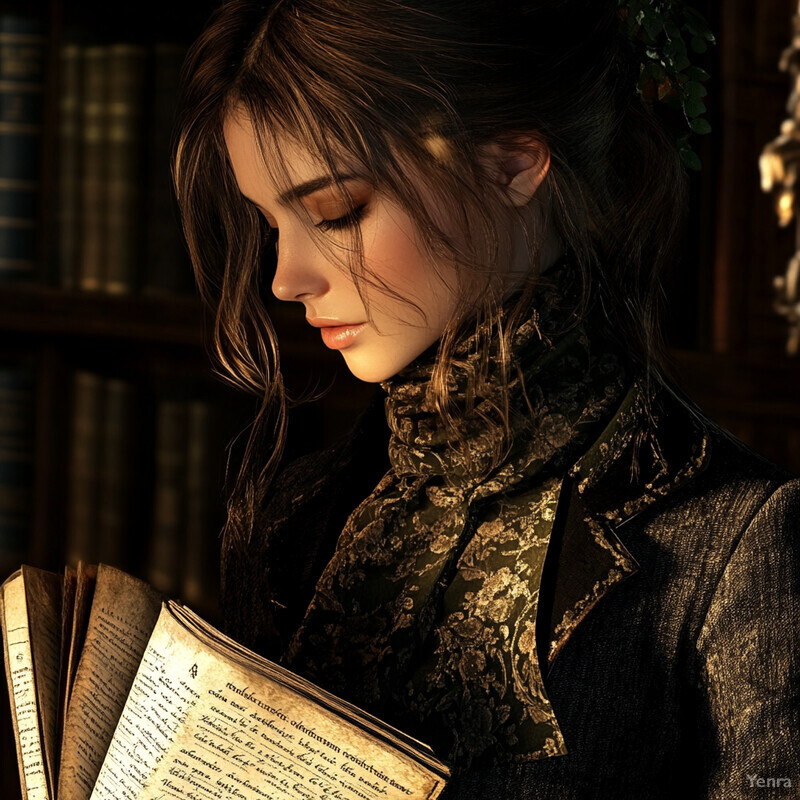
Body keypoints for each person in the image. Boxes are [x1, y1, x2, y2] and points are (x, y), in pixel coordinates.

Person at [173, 0, 800, 797]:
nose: (285, 279)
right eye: (271, 225)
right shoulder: (293, 520)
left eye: (336, 213)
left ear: (512, 165)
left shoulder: (735, 547)